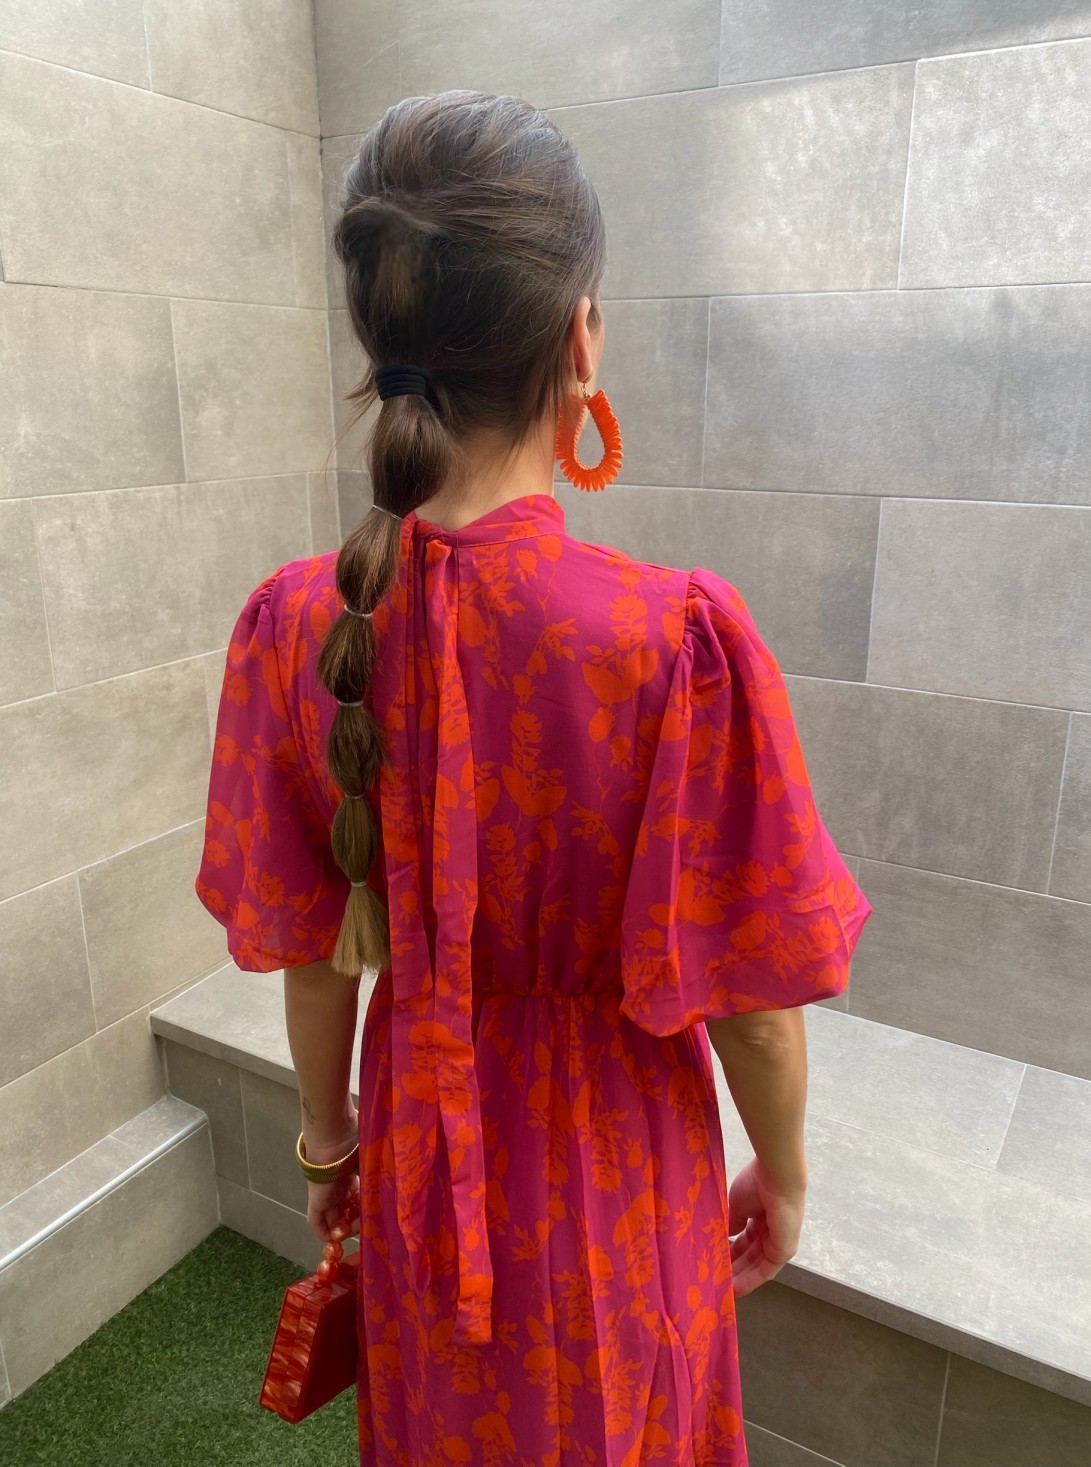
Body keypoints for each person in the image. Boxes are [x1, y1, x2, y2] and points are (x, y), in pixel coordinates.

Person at [195, 90, 872, 1467]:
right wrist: (786, 1173)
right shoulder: (672, 641)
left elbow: (318, 955)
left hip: (415, 1157)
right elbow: (750, 1003)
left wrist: (330, 1141)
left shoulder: (295, 627)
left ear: (380, 338)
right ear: (581, 336)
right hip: (619, 1180)